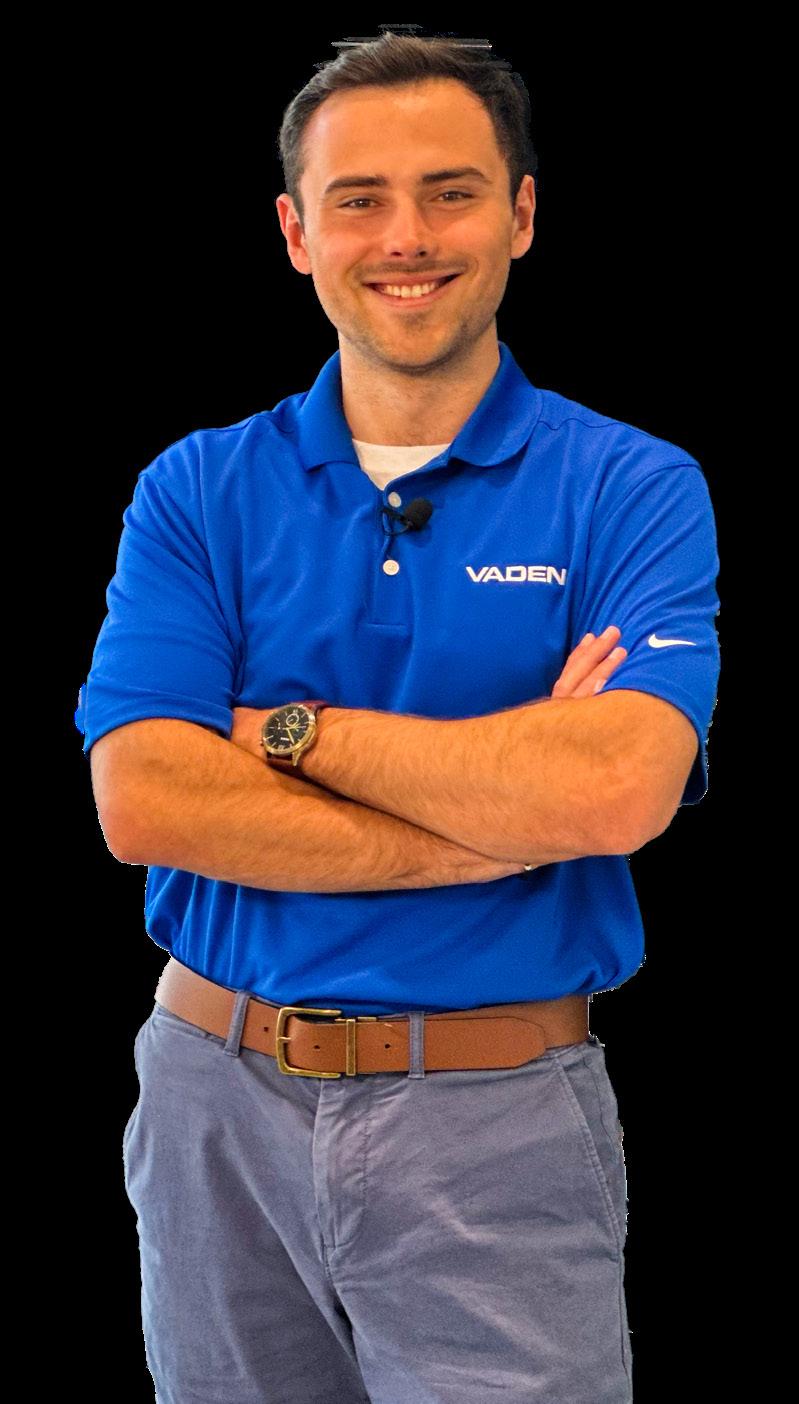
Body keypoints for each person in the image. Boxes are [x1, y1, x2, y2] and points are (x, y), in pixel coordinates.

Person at [75, 30, 720, 1404]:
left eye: (451, 192)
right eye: (359, 199)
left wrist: (282, 734)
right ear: (296, 234)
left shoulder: (633, 487)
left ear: (522, 214)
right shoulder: (195, 489)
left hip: (496, 1116)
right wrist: (494, 819)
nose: (407, 237)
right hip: (213, 1104)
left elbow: (613, 789)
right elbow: (146, 800)